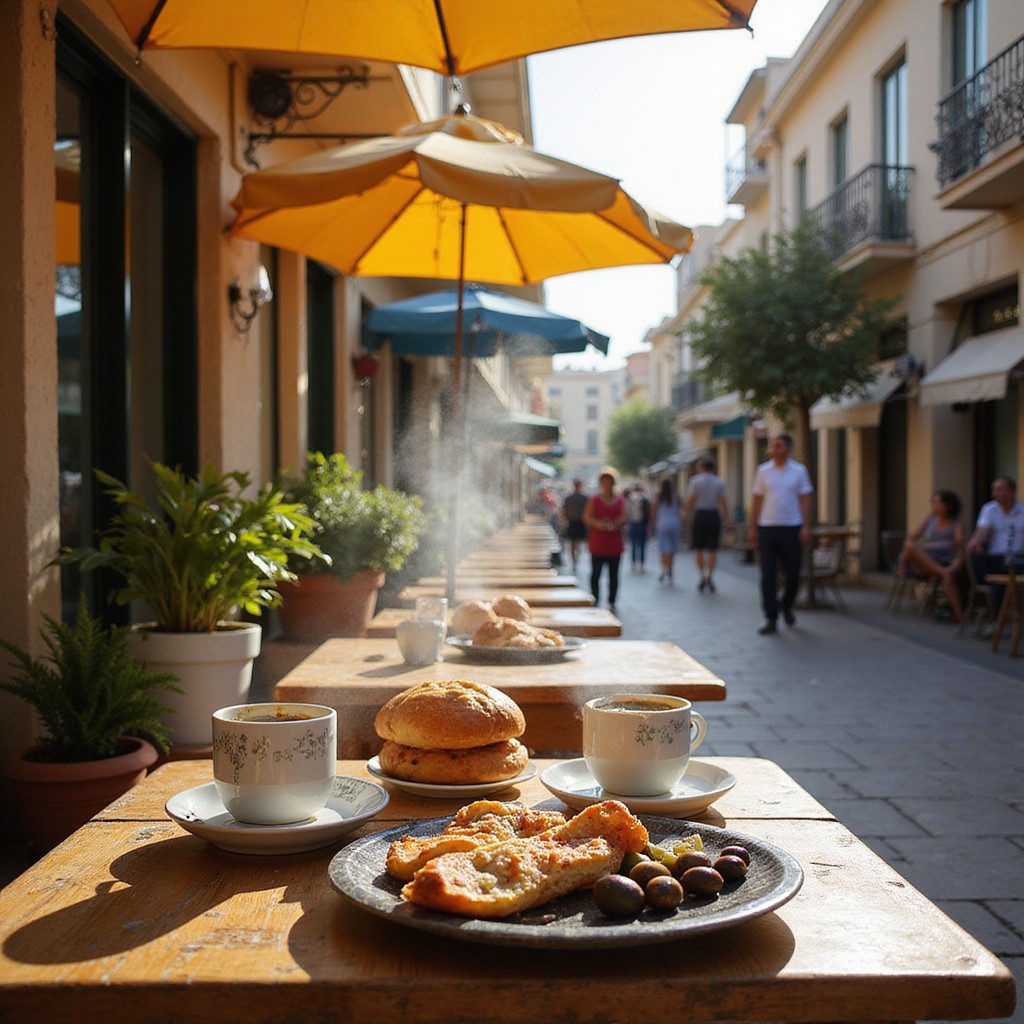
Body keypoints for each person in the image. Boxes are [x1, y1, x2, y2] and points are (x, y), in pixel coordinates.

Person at [747, 433, 814, 635]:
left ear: (788, 448)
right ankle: (771, 617)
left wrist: (806, 526)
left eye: (780, 445)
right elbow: (757, 500)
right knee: (768, 574)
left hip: (791, 527)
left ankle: (786, 605)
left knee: (793, 573)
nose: (776, 449)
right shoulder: (763, 471)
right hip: (767, 528)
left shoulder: (799, 471)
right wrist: (752, 527)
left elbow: (805, 499)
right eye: (773, 446)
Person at [898, 490, 965, 623]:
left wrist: (956, 563)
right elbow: (912, 538)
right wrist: (905, 560)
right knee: (910, 545)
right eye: (933, 502)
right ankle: (939, 572)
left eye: (937, 502)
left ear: (947, 505)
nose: (933, 505)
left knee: (947, 575)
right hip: (926, 559)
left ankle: (958, 614)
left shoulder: (956, 523)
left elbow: (960, 547)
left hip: (944, 559)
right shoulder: (929, 520)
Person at [967, 475, 1024, 618]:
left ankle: (997, 617)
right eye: (994, 490)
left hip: (1017, 558)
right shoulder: (989, 509)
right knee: (975, 559)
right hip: (996, 557)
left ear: (1011, 491)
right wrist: (976, 543)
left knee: (1004, 574)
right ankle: (997, 616)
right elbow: (982, 531)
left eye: (999, 490)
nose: (994, 494)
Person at [685, 457, 732, 593]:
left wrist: (686, 516)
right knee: (712, 549)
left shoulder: (695, 481)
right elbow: (723, 502)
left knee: (698, 549)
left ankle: (702, 575)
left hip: (699, 516)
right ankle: (709, 576)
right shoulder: (719, 482)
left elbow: (690, 500)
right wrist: (727, 519)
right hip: (713, 515)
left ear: (701, 468)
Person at [583, 467, 627, 611]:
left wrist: (616, 524)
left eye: (609, 481)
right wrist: (599, 524)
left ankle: (612, 600)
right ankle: (595, 597)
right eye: (604, 481)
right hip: (598, 543)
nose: (607, 484)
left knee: (613, 575)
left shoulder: (620, 500)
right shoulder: (595, 500)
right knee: (596, 573)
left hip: (614, 543)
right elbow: (587, 517)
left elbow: (625, 517)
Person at [652, 478, 683, 583]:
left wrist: (653, 523)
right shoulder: (676, 496)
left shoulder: (659, 496)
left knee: (663, 549)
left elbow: (654, 510)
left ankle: (663, 569)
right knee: (672, 550)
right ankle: (670, 568)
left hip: (662, 524)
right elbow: (682, 508)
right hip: (675, 524)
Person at [562, 478, 588, 569]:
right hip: (577, 522)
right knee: (576, 542)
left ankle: (574, 560)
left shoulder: (570, 498)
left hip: (575, 522)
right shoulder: (584, 498)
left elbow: (564, 511)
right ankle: (575, 559)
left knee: (574, 542)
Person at [625, 485, 651, 573]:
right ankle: (635, 563)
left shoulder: (644, 501)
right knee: (634, 544)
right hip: (634, 524)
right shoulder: (631, 501)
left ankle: (640, 563)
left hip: (641, 524)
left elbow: (648, 513)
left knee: (641, 545)